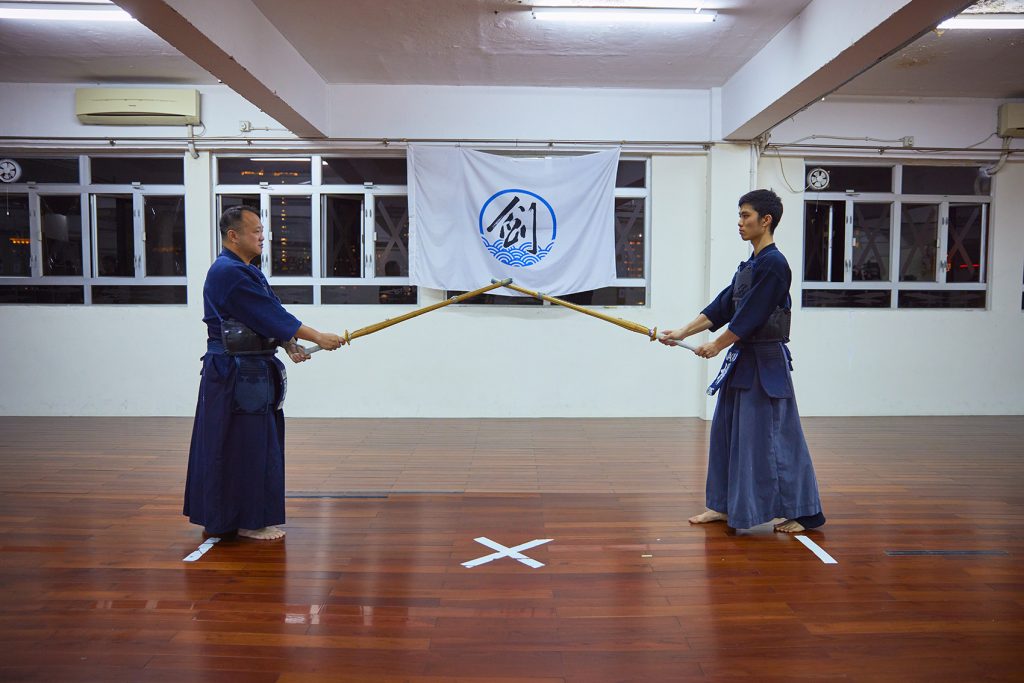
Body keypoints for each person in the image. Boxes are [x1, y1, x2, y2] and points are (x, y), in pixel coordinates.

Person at [659, 189, 824, 533]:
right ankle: (723, 506)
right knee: (727, 434)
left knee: (774, 439)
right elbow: (723, 307)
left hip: (766, 364)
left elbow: (752, 314)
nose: (740, 222)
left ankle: (803, 512)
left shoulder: (775, 264)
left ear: (766, 220)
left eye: (746, 215)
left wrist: (717, 344)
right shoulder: (750, 264)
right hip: (742, 361)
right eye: (739, 215)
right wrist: (682, 332)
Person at [184, 206, 343, 540]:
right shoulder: (227, 271)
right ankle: (246, 520)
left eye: (262, 229)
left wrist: (288, 343)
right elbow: (266, 313)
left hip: (250, 370)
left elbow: (265, 314)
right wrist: (316, 337)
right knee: (243, 445)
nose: (262, 236)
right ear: (233, 235)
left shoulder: (245, 270)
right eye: (255, 230)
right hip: (233, 374)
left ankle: (242, 516)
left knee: (255, 443)